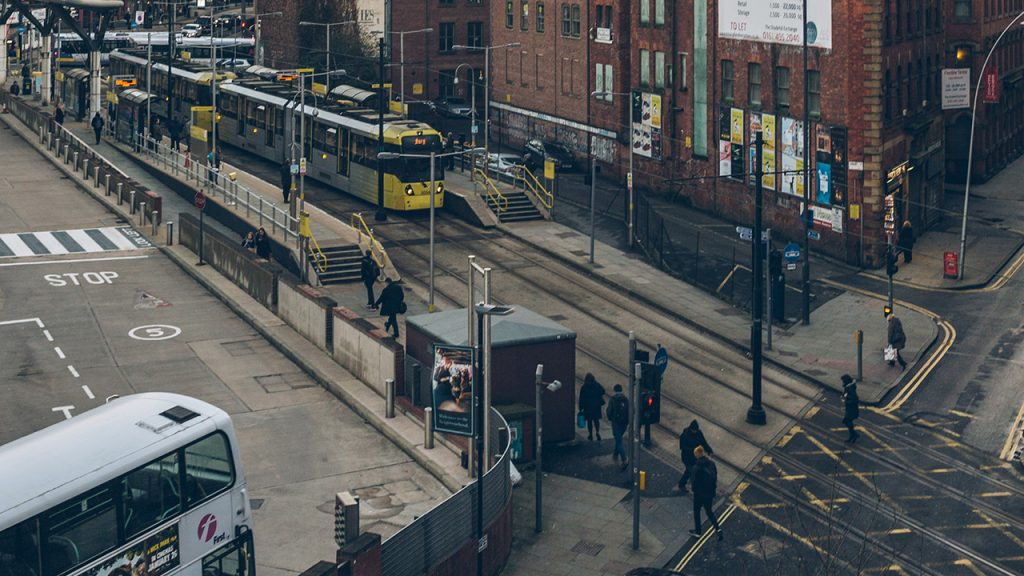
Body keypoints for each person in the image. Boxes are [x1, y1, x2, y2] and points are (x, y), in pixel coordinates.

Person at [690, 445, 723, 540]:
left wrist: (694, 490)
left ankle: (698, 531)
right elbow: (715, 478)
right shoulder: (712, 464)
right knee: (709, 512)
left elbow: (694, 482)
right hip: (709, 494)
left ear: (696, 455)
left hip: (699, 495)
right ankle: (718, 529)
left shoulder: (696, 467)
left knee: (696, 511)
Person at [678, 420, 714, 494]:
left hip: (696, 457)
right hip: (687, 458)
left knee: (689, 472)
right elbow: (682, 447)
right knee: (692, 473)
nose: (695, 431)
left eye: (696, 430)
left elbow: (703, 442)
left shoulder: (699, 433)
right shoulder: (684, 435)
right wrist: (693, 450)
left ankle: (681, 484)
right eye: (694, 430)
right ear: (691, 429)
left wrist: (709, 450)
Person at [606, 384, 630, 469]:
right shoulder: (626, 399)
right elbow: (632, 410)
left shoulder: (613, 399)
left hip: (616, 422)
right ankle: (615, 454)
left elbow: (609, 411)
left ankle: (624, 459)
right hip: (624, 423)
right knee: (618, 438)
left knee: (619, 441)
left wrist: (610, 418)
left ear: (615, 390)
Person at [578, 373, 606, 441]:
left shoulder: (584, 387)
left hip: (588, 407)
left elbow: (581, 398)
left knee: (589, 422)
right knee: (596, 420)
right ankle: (597, 431)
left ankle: (590, 434)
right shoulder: (596, 385)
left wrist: (581, 407)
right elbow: (603, 391)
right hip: (596, 406)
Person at [841, 374, 860, 443]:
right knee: (847, 421)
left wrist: (846, 400)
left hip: (852, 409)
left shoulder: (850, 388)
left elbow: (855, 399)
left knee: (847, 421)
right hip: (850, 409)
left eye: (843, 381)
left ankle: (854, 435)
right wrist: (844, 396)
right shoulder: (848, 387)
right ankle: (853, 435)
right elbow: (847, 395)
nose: (842, 382)